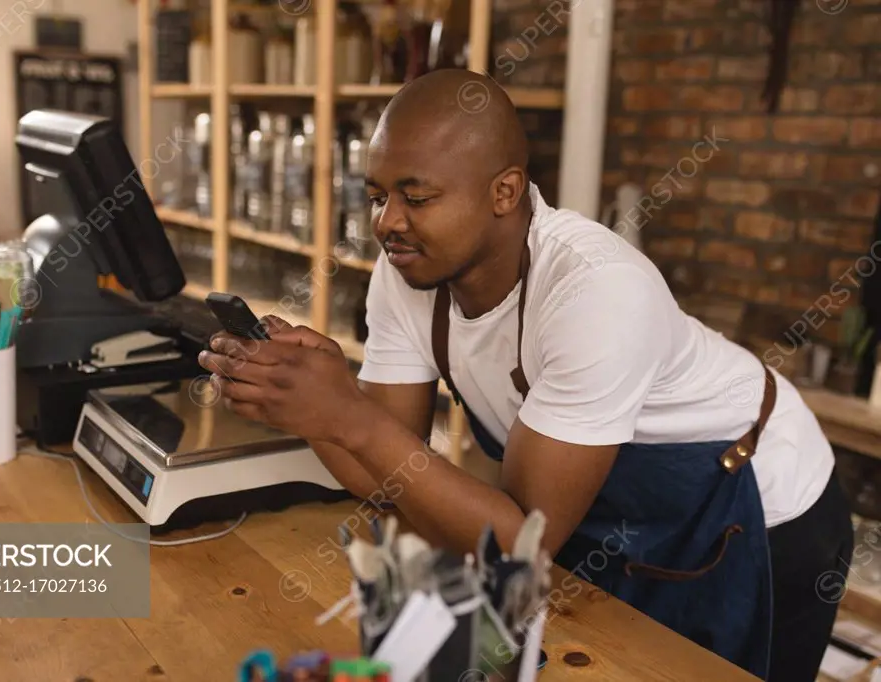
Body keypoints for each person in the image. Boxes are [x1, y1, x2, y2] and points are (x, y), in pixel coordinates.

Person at [198, 69, 853, 681]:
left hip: (761, 509)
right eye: (376, 196)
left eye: (415, 197)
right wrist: (309, 407)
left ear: (504, 192)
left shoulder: (597, 293)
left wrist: (346, 414)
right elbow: (390, 483)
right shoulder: (409, 273)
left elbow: (516, 545)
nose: (387, 222)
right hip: (608, 512)